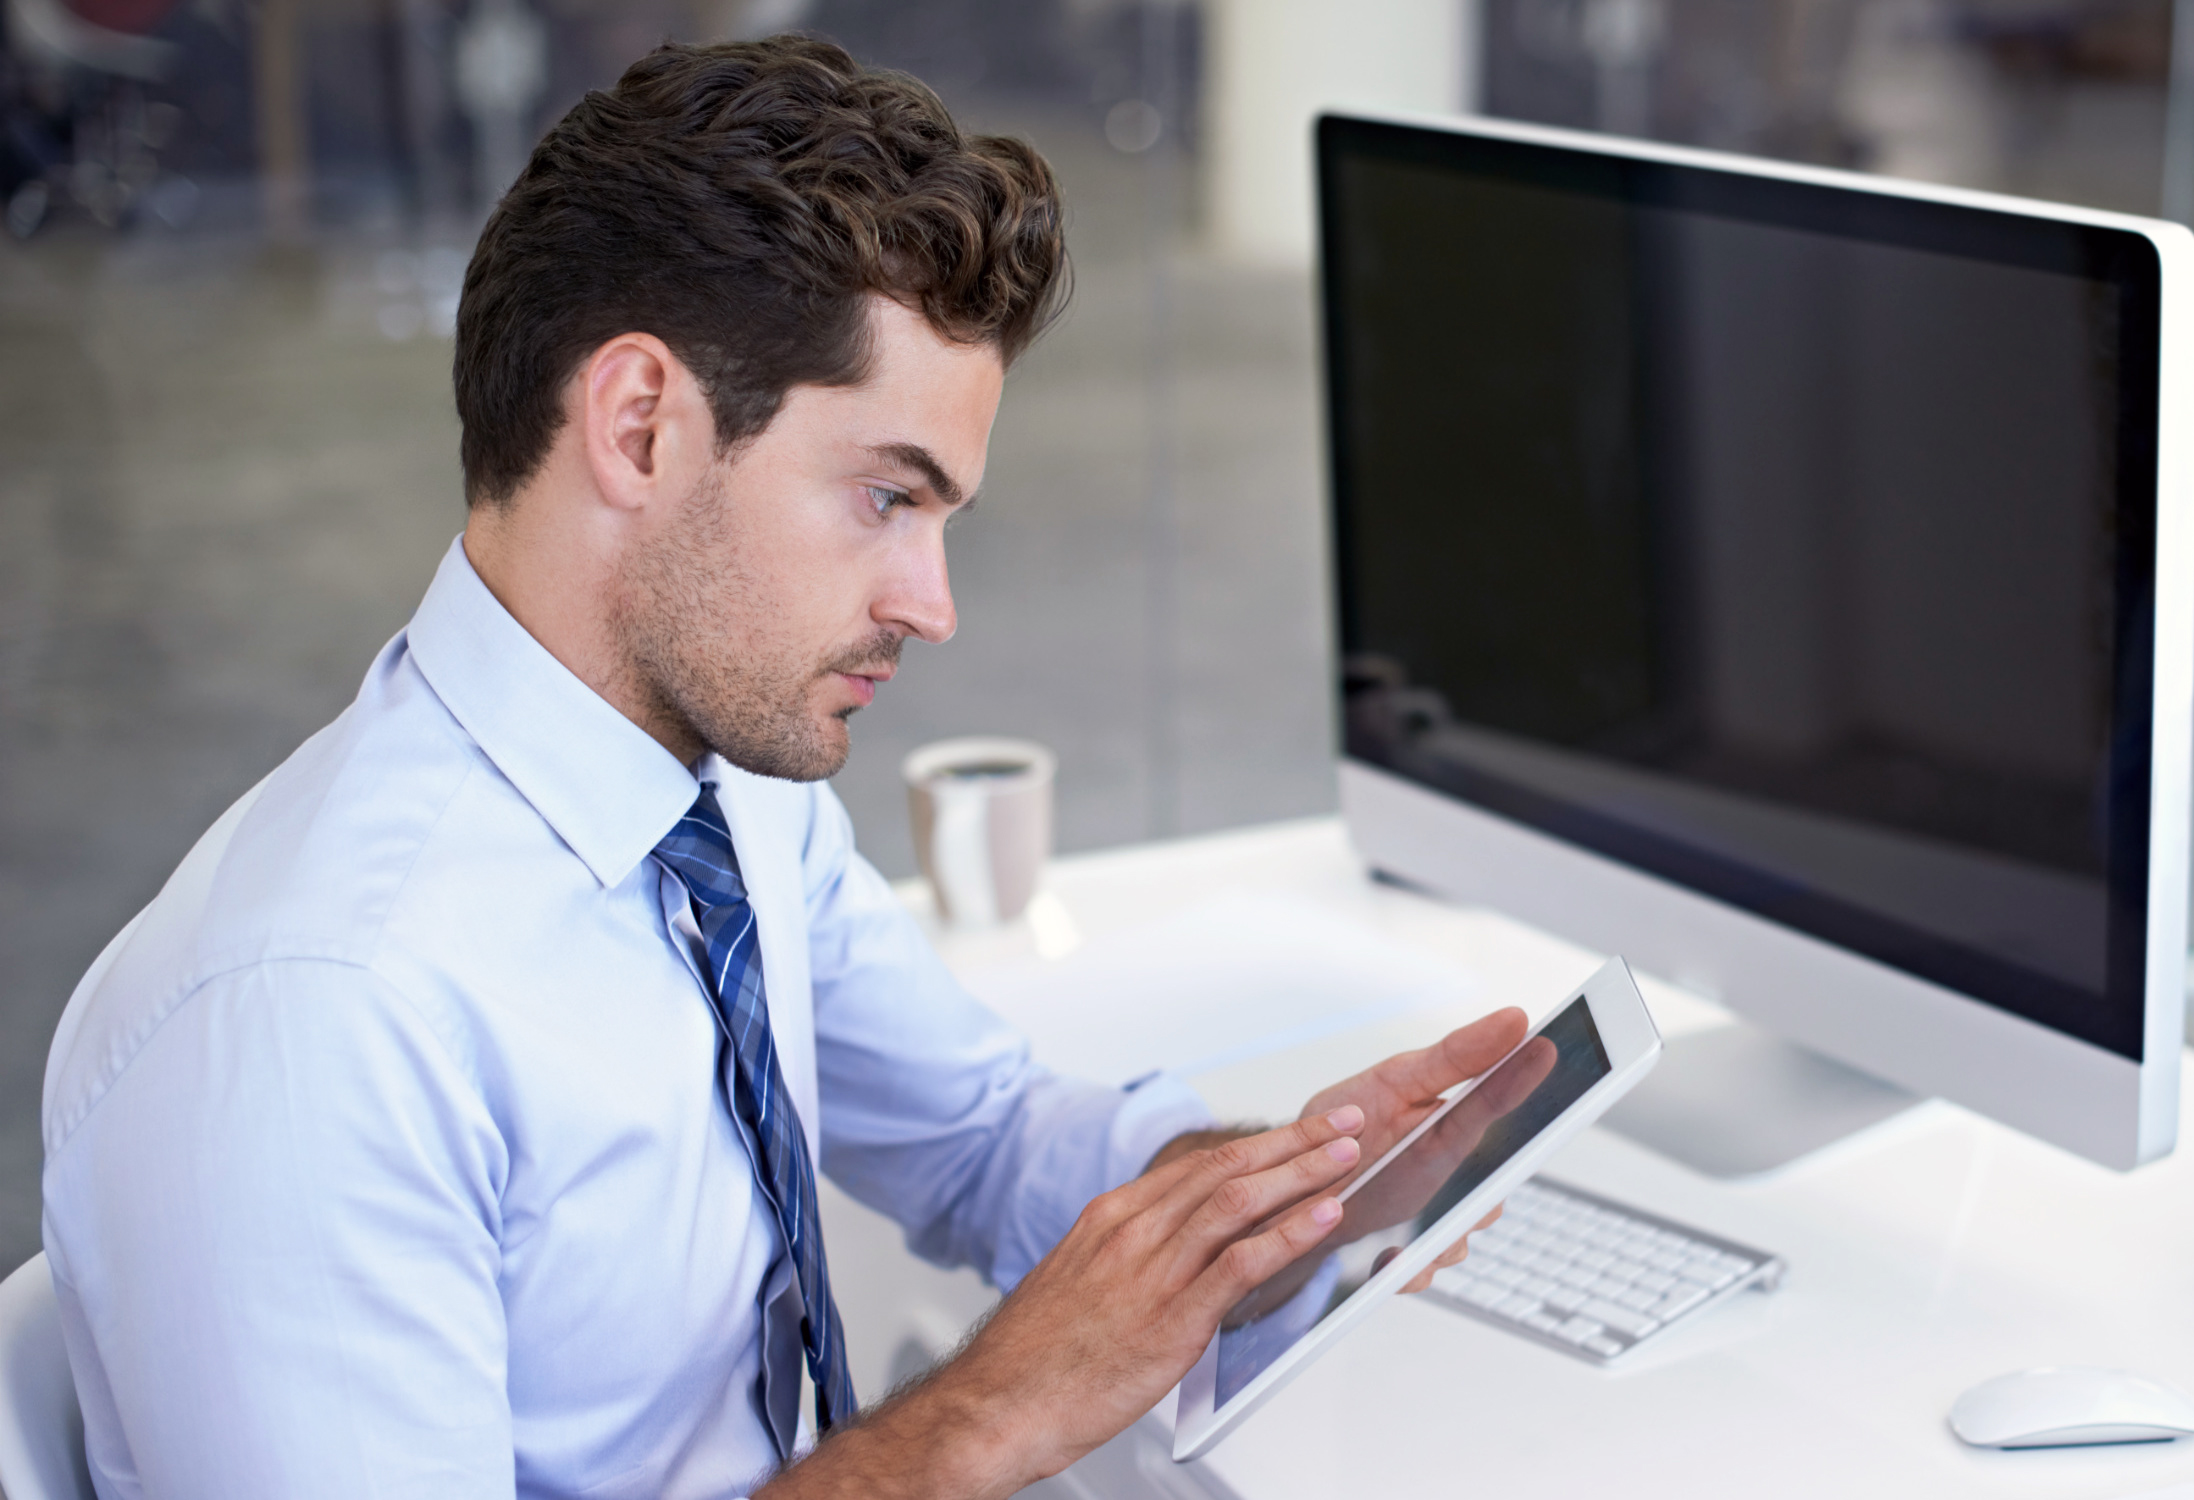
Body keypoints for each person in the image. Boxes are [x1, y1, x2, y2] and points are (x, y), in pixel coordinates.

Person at [37, 35, 1524, 1500]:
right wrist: (995, 1413)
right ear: (638, 427)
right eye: (885, 495)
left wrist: (1298, 1198)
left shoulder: (716, 791)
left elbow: (988, 1144)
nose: (932, 605)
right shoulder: (321, 1027)